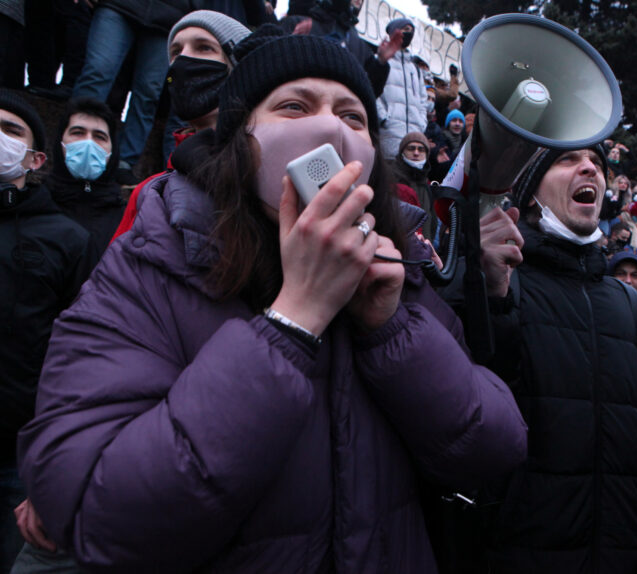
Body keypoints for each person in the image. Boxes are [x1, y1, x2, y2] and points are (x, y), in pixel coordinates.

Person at [17, 28, 527, 573]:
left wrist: (392, 329)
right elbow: (96, 509)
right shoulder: (154, 260)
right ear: (240, 137)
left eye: (353, 117)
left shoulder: (403, 268)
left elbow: (492, 449)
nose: (330, 126)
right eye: (294, 106)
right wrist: (292, 320)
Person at [476, 145, 637, 572]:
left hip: (623, 543)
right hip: (522, 545)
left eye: (597, 162)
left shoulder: (625, 301)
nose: (589, 168)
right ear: (528, 193)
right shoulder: (501, 282)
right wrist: (491, 297)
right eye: (566, 160)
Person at [0, 90, 95, 572]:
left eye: (10, 130)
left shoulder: (67, 239)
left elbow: (79, 356)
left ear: (36, 158)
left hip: (16, 454)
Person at [111, 10, 251, 240]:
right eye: (176, 52)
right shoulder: (148, 192)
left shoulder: (271, 176)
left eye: (204, 47)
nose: (183, 60)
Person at [71, 0, 198, 184]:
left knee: (148, 91)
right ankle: (74, 144)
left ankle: (125, 160)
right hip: (120, 6)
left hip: (169, 17)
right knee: (98, 72)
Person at [45, 98, 124, 257]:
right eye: (78, 133)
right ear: (60, 142)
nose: (88, 143)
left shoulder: (126, 220)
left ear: (112, 150)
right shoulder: (35, 204)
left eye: (99, 136)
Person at [376, 18, 428, 160]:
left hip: (413, 134)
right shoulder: (381, 61)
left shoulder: (415, 70)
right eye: (404, 29)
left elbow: (423, 100)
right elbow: (374, 92)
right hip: (390, 132)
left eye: (411, 30)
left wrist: (421, 123)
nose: (408, 33)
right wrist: (384, 118)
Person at [391, 131, 434, 238]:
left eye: (421, 149)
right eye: (411, 148)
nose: (416, 153)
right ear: (402, 152)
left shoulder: (427, 184)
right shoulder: (392, 179)